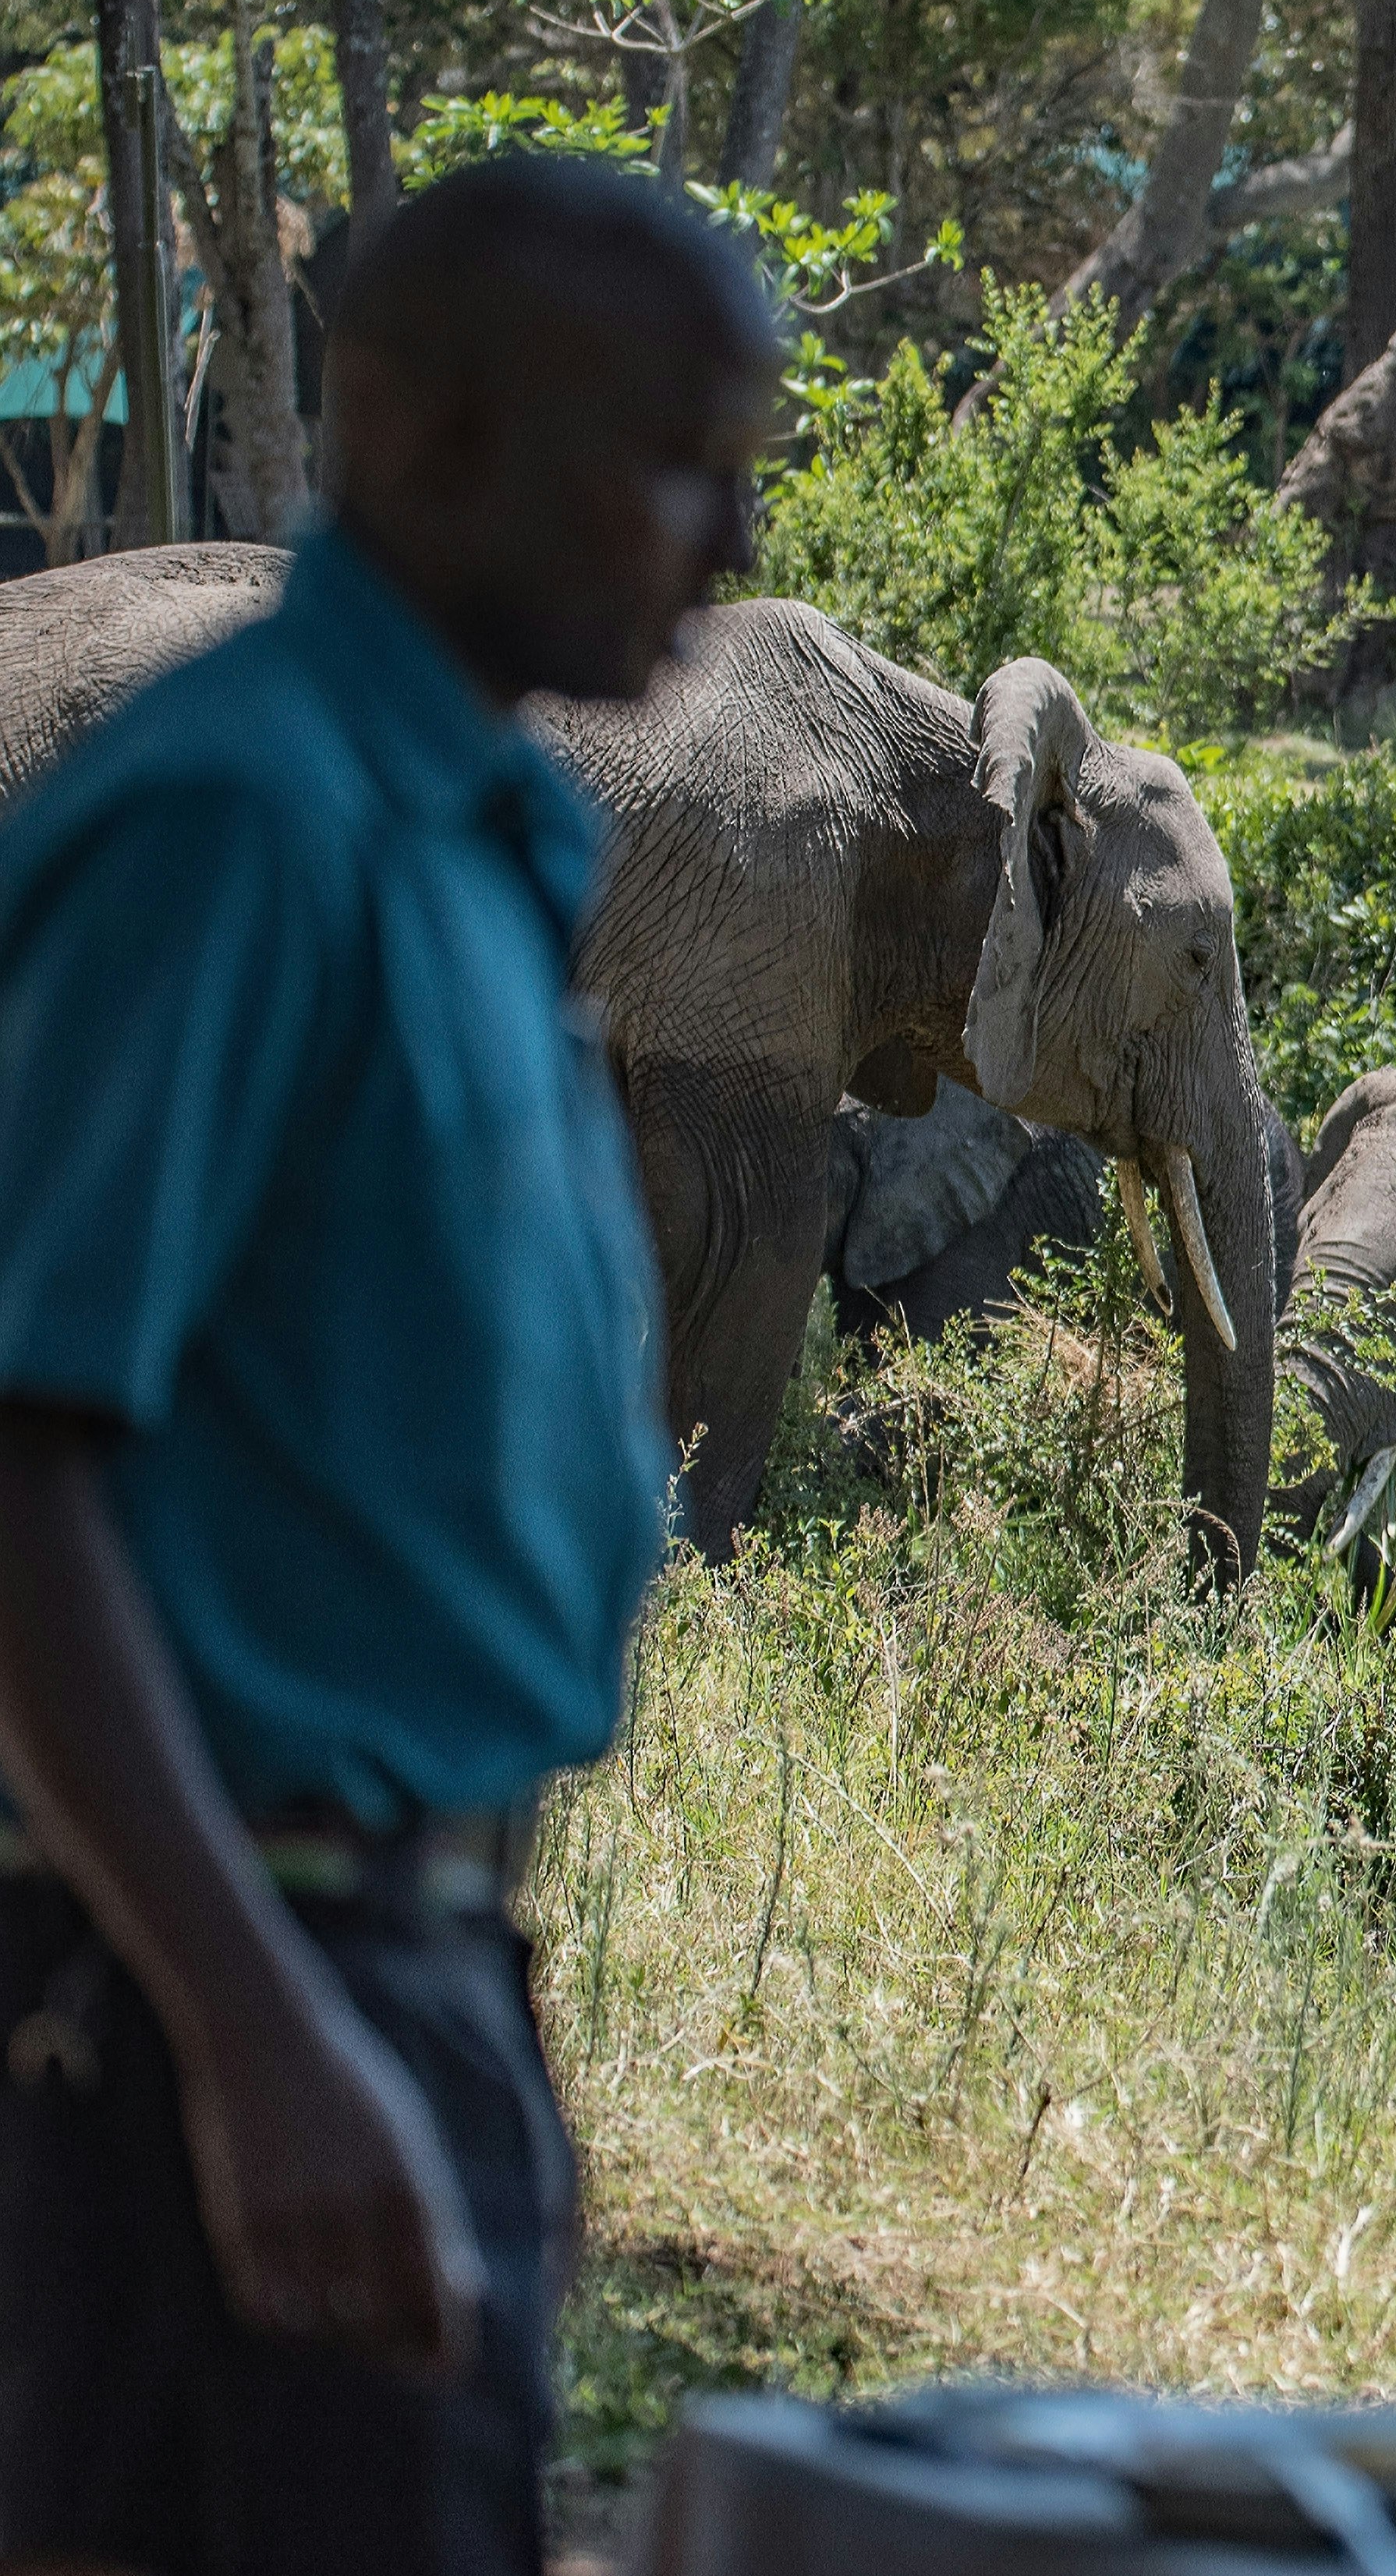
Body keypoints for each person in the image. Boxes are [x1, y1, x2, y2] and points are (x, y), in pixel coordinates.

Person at [0, 157, 774, 2574]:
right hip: (204, 1985)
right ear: (426, 433)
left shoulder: (471, 830)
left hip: (404, 1958)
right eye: (670, 451)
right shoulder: (240, 816)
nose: (728, 531)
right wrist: (250, 2028)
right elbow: (16, 1448)